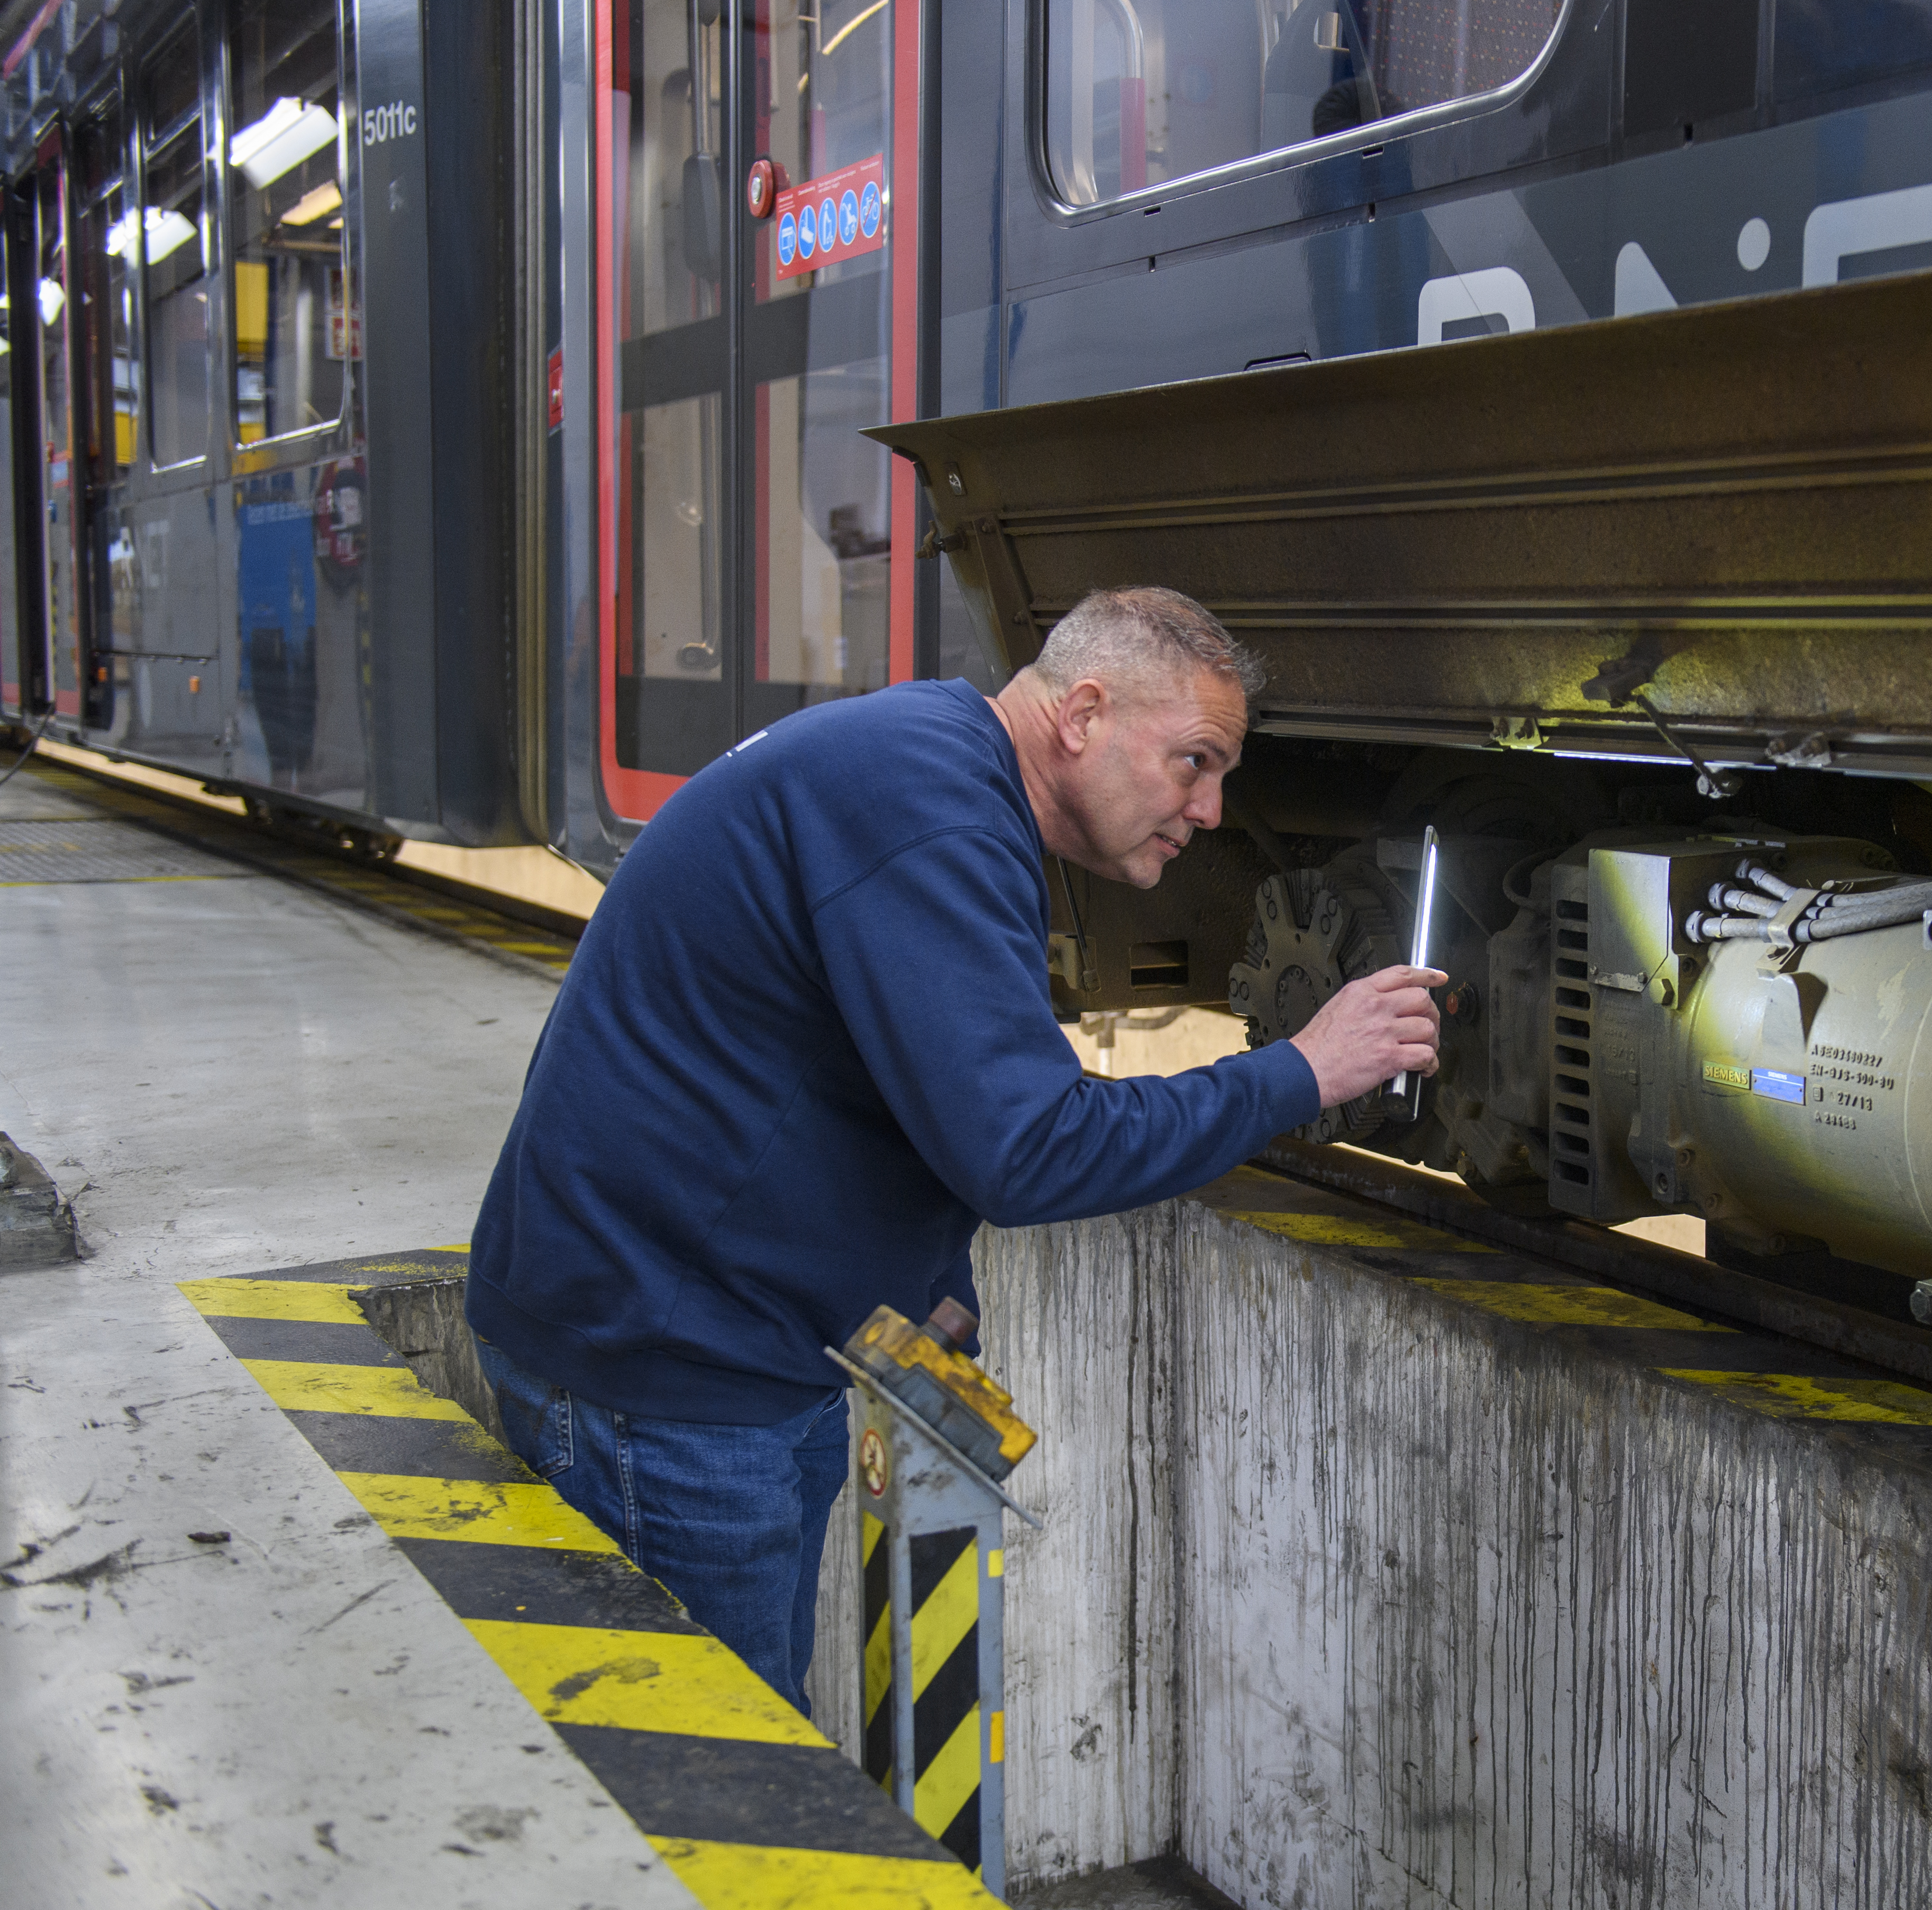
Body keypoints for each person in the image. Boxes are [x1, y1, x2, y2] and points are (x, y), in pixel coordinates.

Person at [464, 586, 1437, 1707]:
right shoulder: (929, 811)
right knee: (706, 1777)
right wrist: (1301, 1070)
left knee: (756, 1739)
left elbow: (888, 1077)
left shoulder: (938, 765)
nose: (1211, 810)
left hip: (730, 1336)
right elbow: (1027, 1149)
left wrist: (924, 1281)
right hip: (659, 1373)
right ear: (1084, 715)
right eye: (1195, 762)